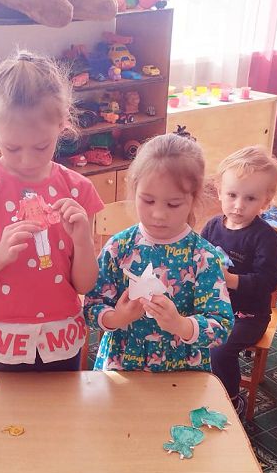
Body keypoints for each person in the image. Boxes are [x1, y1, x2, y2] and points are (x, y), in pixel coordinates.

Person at [0, 51, 103, 371]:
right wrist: (0, 254)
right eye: (13, 148)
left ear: (62, 125)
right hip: (6, 339)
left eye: (42, 146)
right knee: (8, 406)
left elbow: (85, 285)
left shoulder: (78, 190)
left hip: (61, 336)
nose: (28, 161)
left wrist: (83, 241)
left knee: (64, 403)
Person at [83, 133, 232, 373]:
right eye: (148, 201)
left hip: (182, 371)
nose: (159, 214)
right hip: (122, 364)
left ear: (194, 199)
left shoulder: (202, 256)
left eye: (173, 204)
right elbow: (91, 307)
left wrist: (180, 324)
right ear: (134, 191)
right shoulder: (118, 247)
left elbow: (221, 325)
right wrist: (117, 318)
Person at [200, 145, 277, 418]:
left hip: (248, 316)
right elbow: (198, 258)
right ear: (219, 191)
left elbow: (269, 282)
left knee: (219, 349)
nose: (238, 205)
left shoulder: (266, 238)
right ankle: (194, 385)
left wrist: (231, 280)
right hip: (212, 305)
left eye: (250, 198)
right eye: (232, 195)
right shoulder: (212, 226)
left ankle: (231, 400)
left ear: (266, 200)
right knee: (176, 329)